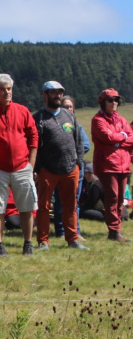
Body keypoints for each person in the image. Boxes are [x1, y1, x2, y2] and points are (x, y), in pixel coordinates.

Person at [0, 73, 38, 257]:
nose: (7, 92)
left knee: (27, 207)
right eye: (2, 89)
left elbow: (33, 136)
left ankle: (28, 244)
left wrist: (31, 164)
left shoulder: (22, 111)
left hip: (22, 167)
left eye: (9, 88)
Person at [33, 81, 87, 251]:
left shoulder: (69, 115)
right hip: (47, 170)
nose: (58, 96)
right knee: (44, 207)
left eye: (60, 93)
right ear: (45, 95)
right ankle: (43, 241)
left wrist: (78, 163)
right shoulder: (38, 118)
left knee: (71, 206)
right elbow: (34, 144)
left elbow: (78, 140)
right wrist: (39, 167)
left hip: (71, 169)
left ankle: (72, 239)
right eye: (54, 92)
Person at [91, 88, 133, 242]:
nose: (114, 103)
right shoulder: (98, 120)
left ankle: (117, 229)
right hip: (107, 165)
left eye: (116, 100)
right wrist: (121, 137)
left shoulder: (121, 120)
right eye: (110, 100)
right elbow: (106, 136)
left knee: (121, 197)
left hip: (123, 164)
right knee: (112, 197)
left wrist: (117, 141)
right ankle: (114, 231)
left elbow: (131, 138)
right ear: (103, 102)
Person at [53, 95, 91, 237]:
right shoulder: (55, 124)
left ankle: (75, 230)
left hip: (76, 169)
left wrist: (71, 154)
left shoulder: (77, 126)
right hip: (59, 169)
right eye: (65, 107)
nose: (68, 109)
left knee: (74, 203)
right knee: (60, 202)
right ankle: (61, 231)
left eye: (70, 106)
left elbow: (86, 145)